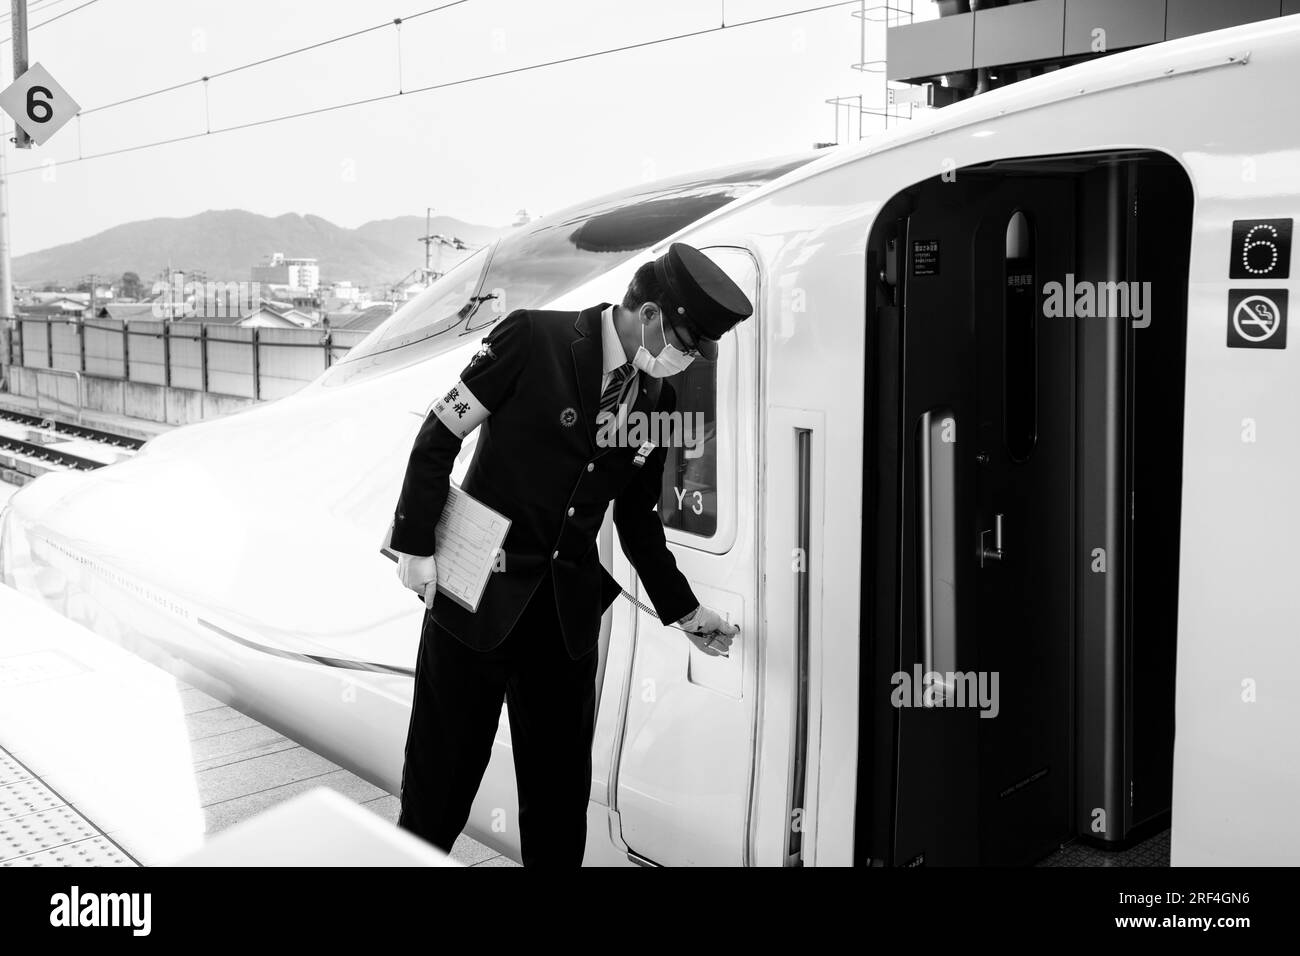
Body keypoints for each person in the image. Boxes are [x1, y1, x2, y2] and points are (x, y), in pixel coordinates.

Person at [388, 241, 748, 866]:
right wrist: (416, 545)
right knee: (436, 795)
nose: (684, 359)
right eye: (685, 343)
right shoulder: (532, 338)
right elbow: (441, 429)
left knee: (558, 808)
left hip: (562, 624)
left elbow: (636, 519)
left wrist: (686, 614)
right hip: (475, 597)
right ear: (653, 315)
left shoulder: (657, 400)